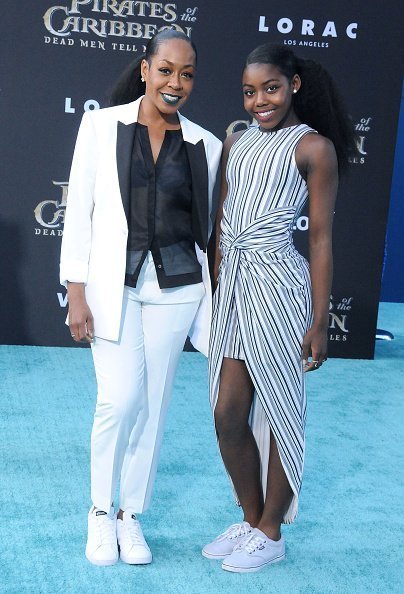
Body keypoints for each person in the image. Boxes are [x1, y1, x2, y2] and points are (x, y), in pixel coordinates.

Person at [60, 29, 222, 567]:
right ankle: (100, 513)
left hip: (177, 289)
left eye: (188, 74)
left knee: (153, 406)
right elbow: (79, 208)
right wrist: (75, 290)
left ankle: (132, 516)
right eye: (168, 70)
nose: (176, 83)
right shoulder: (101, 126)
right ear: (146, 68)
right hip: (113, 286)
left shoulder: (206, 144)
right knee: (120, 399)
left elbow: (207, 230)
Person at [202, 43, 357, 573]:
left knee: (281, 410)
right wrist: (219, 285)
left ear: (293, 85)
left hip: (280, 286)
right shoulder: (237, 140)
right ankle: (251, 521)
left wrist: (319, 319)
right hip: (236, 290)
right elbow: (222, 220)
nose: (259, 101)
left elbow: (319, 239)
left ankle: (272, 530)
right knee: (226, 412)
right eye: (249, 92)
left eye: (270, 88)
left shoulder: (313, 147)